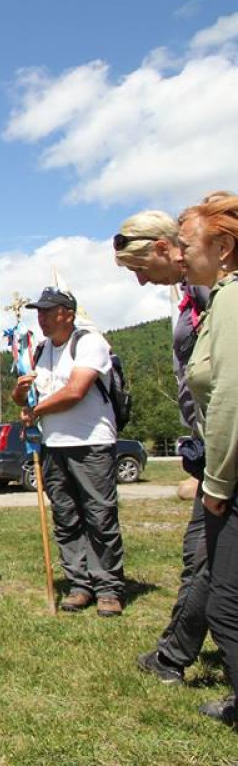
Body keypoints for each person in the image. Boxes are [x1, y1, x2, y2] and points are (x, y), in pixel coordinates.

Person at [115, 210, 212, 681]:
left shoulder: (218, 292)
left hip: (223, 450)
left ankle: (172, 656)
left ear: (161, 248)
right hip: (211, 449)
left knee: (207, 558)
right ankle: (173, 654)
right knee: (204, 557)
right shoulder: (195, 295)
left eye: (138, 269)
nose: (138, 283)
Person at [11, 287, 125, 616]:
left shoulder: (89, 342)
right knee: (66, 516)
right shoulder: (41, 350)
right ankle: (79, 584)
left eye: (49, 311)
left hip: (91, 442)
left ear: (68, 314)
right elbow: (25, 400)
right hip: (53, 445)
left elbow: (75, 391)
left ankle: (107, 587)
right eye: (39, 312)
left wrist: (37, 410)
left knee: (99, 515)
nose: (41, 317)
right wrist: (21, 395)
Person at [177, 195, 238, 726]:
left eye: (187, 244)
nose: (179, 254)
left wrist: (216, 481)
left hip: (232, 479)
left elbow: (230, 399)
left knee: (226, 605)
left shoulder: (233, 301)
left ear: (223, 248)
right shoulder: (221, 299)